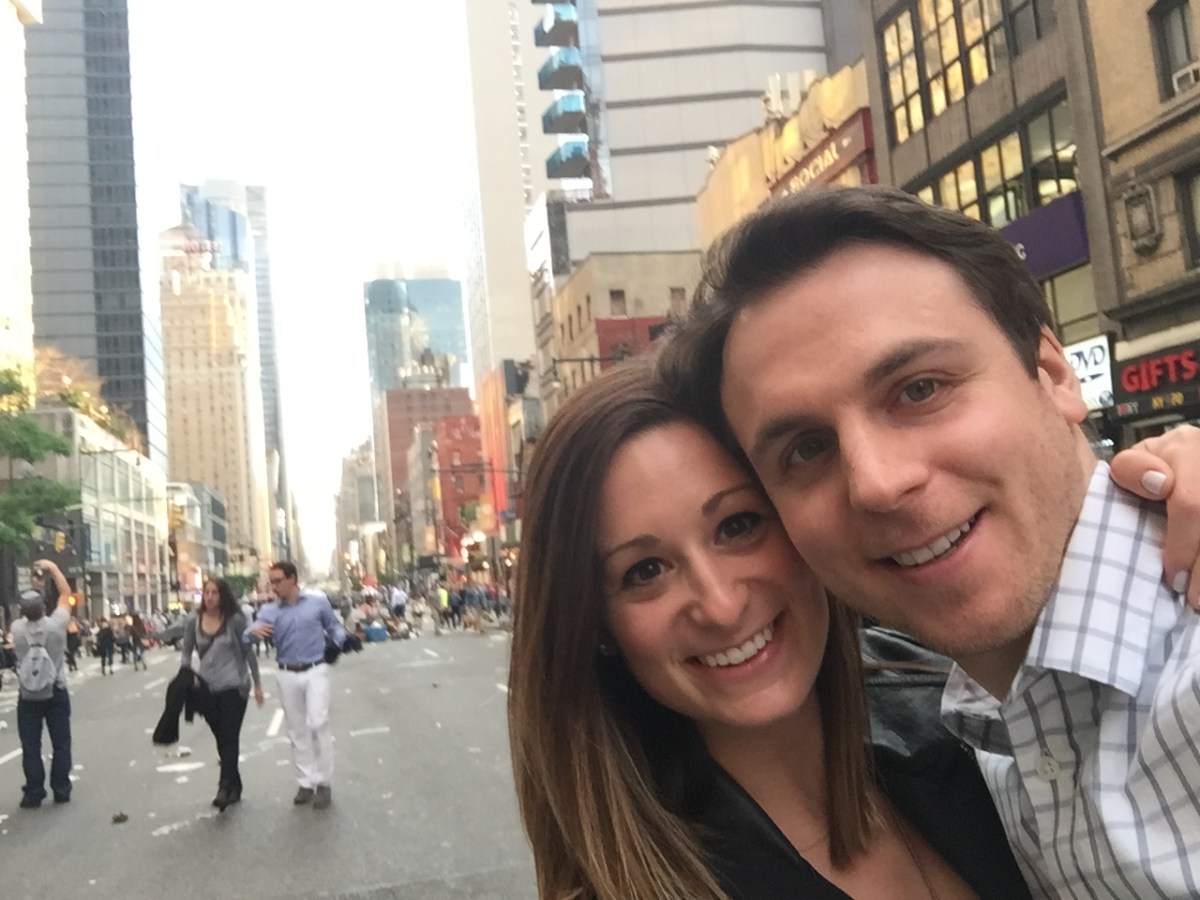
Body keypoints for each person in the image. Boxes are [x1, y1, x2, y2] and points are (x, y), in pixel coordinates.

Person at [658, 185, 1200, 895]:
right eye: (806, 449)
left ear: (1052, 374)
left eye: (920, 390)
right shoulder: (979, 742)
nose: (876, 483)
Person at [247, 561, 349, 810]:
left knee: (318, 722)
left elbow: (335, 627)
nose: (274, 586)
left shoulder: (317, 603)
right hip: (287, 672)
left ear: (292, 579)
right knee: (296, 729)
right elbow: (248, 634)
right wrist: (251, 634)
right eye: (272, 582)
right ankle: (305, 782)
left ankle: (323, 783)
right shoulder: (270, 610)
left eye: (278, 581)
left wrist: (338, 642)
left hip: (315, 669)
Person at [179, 578, 263, 810]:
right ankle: (235, 783)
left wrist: (257, 684)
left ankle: (224, 786)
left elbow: (248, 652)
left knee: (229, 735)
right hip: (207, 689)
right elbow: (186, 652)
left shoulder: (235, 620)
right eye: (206, 592)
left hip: (234, 686)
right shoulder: (193, 622)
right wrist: (187, 674)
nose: (209, 596)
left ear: (222, 595)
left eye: (214, 592)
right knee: (222, 738)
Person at [12, 559, 74, 808]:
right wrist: (54, 569)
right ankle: (61, 788)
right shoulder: (57, 626)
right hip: (55, 690)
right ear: (44, 607)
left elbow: (28, 607)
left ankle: (34, 792)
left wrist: (34, 582)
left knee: (30, 746)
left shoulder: (17, 629)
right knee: (61, 743)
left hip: (28, 695)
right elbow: (66, 594)